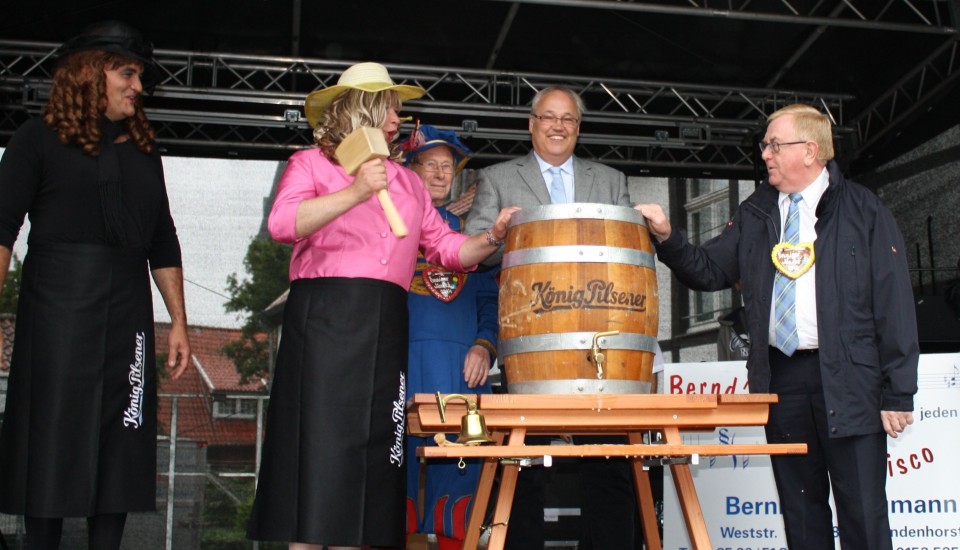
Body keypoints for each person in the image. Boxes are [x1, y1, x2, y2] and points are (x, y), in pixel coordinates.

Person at [245, 62, 516, 550]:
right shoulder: (310, 163)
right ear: (362, 109)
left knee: (369, 458)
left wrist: (491, 237)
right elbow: (284, 224)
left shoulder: (408, 183)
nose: (398, 118)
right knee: (316, 454)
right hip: (325, 318)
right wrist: (355, 191)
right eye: (391, 107)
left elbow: (449, 252)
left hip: (386, 321)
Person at [636, 104, 918, 550]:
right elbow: (709, 271)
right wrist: (669, 236)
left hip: (850, 381)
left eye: (773, 144)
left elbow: (895, 303)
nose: (763, 153)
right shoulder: (756, 212)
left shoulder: (865, 210)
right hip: (782, 380)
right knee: (800, 514)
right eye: (765, 144)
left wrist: (898, 391)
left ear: (810, 151)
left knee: (863, 511)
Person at [0, 21, 191, 550]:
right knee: (52, 444)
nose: (138, 85)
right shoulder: (34, 140)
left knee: (121, 447)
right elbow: (1, 230)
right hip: (57, 309)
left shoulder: (144, 151)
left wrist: (176, 321)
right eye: (127, 72)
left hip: (128, 309)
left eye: (140, 76)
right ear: (89, 74)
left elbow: (163, 238)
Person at [465, 85, 643, 550]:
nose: (558, 126)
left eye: (568, 119)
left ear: (578, 127)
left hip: (603, 349)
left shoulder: (610, 179)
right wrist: (497, 232)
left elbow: (629, 255)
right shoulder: (499, 177)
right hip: (533, 347)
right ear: (532, 124)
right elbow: (475, 255)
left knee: (608, 467)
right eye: (549, 117)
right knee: (523, 469)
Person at [401, 124, 499, 549]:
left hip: (463, 376)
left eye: (448, 167)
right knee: (391, 493)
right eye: (430, 165)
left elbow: (490, 303)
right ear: (409, 169)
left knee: (458, 498)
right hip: (401, 371)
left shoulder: (471, 237)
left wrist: (483, 345)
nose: (441, 174)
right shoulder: (390, 225)